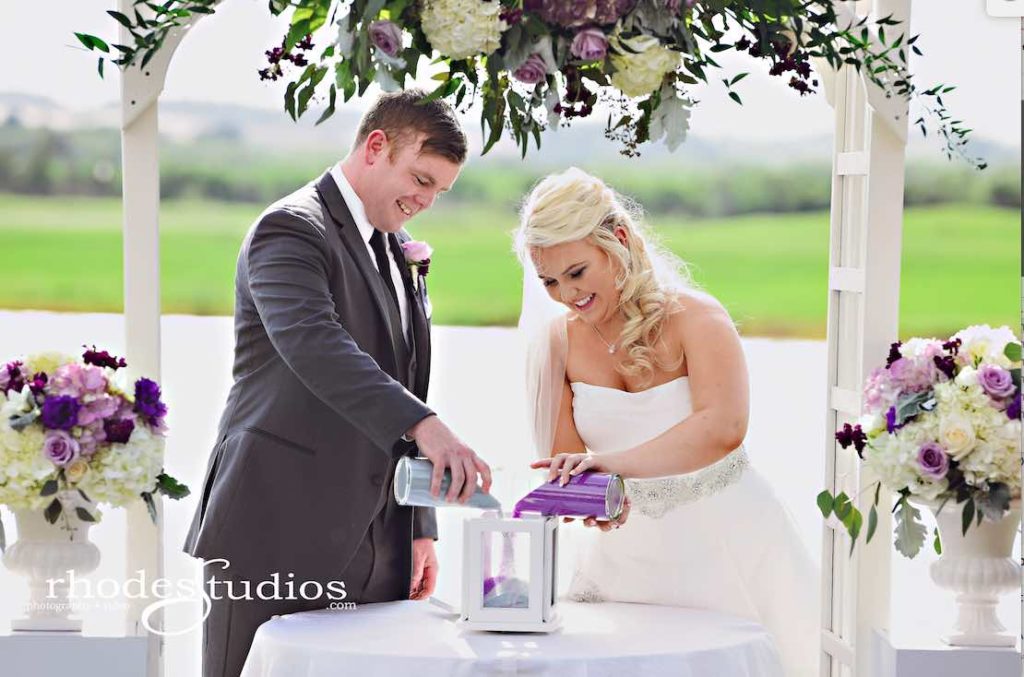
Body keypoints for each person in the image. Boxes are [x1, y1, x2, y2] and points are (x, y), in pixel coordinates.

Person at [183, 89, 491, 677]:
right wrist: (427, 427)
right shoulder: (291, 229)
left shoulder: (395, 247)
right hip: (275, 529)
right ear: (376, 146)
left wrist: (418, 523)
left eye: (438, 192)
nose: (425, 201)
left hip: (382, 541)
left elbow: (404, 379)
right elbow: (314, 344)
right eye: (420, 180)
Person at [516, 167, 817, 677]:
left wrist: (610, 464)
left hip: (727, 542)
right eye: (549, 281)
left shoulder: (697, 319)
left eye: (577, 272)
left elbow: (723, 429)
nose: (566, 294)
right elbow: (569, 463)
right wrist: (590, 497)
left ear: (620, 241)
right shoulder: (557, 343)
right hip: (624, 561)